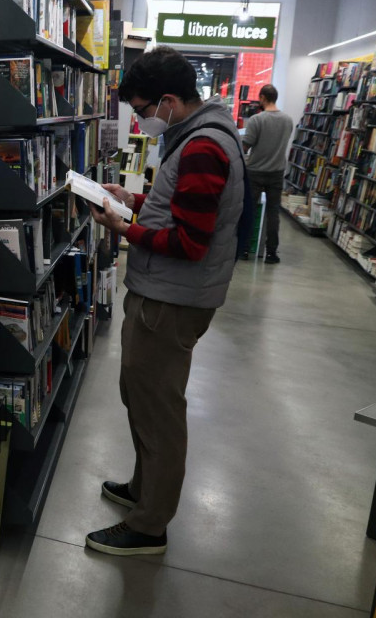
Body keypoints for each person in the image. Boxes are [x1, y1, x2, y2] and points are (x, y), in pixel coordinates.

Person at [85, 46, 246, 556]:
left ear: (170, 101)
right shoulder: (193, 137)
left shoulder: (202, 147)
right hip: (164, 294)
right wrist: (132, 199)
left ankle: (150, 525)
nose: (140, 119)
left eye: (142, 109)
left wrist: (124, 228)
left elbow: (189, 242)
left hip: (172, 300)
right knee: (140, 393)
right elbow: (180, 206)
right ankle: (143, 489)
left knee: (157, 407)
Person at [242, 84, 295, 263]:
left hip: (255, 171)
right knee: (273, 213)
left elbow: (246, 145)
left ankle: (244, 249)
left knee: (249, 209)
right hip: (277, 172)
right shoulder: (288, 120)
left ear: (263, 97)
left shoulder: (257, 120)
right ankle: (271, 253)